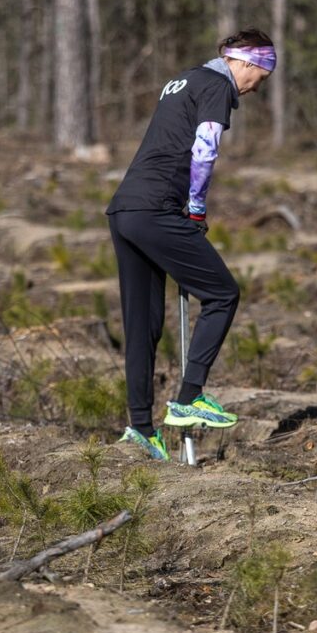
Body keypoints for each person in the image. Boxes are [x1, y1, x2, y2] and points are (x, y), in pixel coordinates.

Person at [106, 29, 276, 460]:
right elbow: (204, 150)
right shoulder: (218, 85)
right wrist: (196, 208)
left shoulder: (183, 79)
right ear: (247, 63)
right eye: (263, 75)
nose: (258, 86)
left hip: (125, 209)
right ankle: (190, 398)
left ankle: (141, 430)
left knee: (142, 324)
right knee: (222, 293)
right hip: (158, 209)